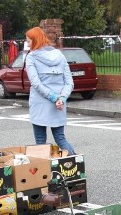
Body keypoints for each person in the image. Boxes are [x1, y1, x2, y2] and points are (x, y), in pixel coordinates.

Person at [24, 27, 76, 155]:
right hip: (58, 105)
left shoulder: (31, 57)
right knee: (60, 139)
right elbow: (69, 82)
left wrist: (53, 98)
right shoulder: (59, 55)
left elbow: (36, 83)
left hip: (40, 104)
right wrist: (61, 98)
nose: (28, 44)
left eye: (29, 41)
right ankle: (75, 164)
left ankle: (45, 173)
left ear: (35, 41)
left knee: (41, 142)